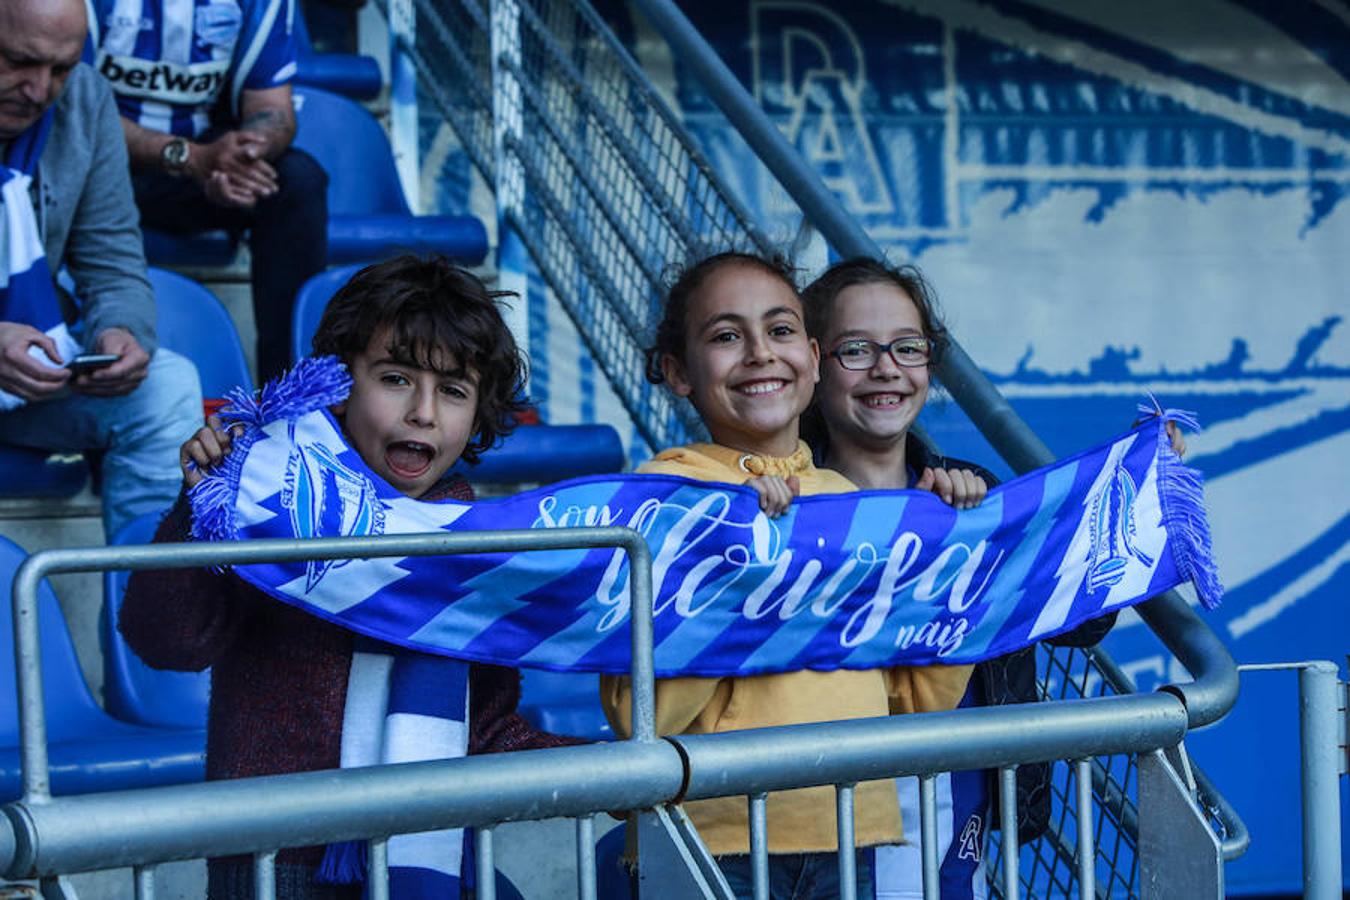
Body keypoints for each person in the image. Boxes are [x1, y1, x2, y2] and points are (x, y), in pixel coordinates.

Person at [120, 256, 578, 899]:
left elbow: (487, 729)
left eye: (453, 391)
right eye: (396, 378)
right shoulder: (272, 510)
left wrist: (596, 770)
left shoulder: (473, 546)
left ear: (479, 415)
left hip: (428, 855)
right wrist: (200, 507)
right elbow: (166, 640)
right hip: (273, 855)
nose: (423, 412)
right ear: (337, 385)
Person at [800, 257, 1184, 899]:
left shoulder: (971, 494)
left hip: (957, 792)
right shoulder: (790, 507)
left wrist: (1138, 494)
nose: (886, 367)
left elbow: (1080, 617)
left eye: (908, 347)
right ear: (814, 365)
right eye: (857, 349)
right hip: (818, 803)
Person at [600, 251, 973, 899]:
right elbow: (641, 711)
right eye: (725, 336)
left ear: (812, 352)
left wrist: (953, 554)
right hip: (713, 836)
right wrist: (743, 565)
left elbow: (913, 700)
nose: (758, 353)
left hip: (847, 826)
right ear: (677, 372)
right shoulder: (661, 499)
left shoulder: (847, 503)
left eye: (779, 330)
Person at [0, 0, 201, 539]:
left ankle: (146, 610)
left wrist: (121, 332)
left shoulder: (84, 101)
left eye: (60, 68)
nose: (39, 90)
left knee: (167, 387)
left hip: (29, 372)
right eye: (18, 61)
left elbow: (112, 260)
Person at [88, 0, 329, 384]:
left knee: (296, 181)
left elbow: (274, 108)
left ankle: (288, 393)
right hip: (93, 164)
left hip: (195, 166)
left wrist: (246, 154)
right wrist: (189, 157)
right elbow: (70, 106)